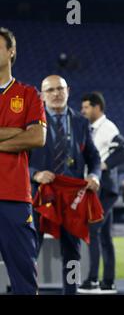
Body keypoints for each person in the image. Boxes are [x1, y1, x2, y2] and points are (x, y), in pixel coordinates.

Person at [29, 75, 101, 295]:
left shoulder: (80, 122)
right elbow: (18, 158)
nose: (56, 94)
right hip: (40, 195)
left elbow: (94, 157)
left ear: (68, 90)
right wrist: (35, 174)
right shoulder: (31, 123)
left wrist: (95, 176)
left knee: (73, 253)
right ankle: (26, 290)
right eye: (50, 90)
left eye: (60, 89)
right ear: (42, 95)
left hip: (72, 198)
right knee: (31, 250)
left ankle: (72, 291)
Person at [0, 27, 46, 295]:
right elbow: (26, 134)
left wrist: (26, 134)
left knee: (24, 281)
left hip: (15, 198)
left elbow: (37, 137)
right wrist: (17, 132)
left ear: (11, 52)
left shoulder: (28, 94)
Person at [78, 92, 124, 294]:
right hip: (102, 189)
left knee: (92, 231)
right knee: (105, 236)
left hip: (104, 189)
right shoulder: (92, 129)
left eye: (86, 107)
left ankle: (92, 280)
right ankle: (108, 282)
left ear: (97, 107)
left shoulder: (107, 127)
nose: (83, 111)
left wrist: (103, 165)